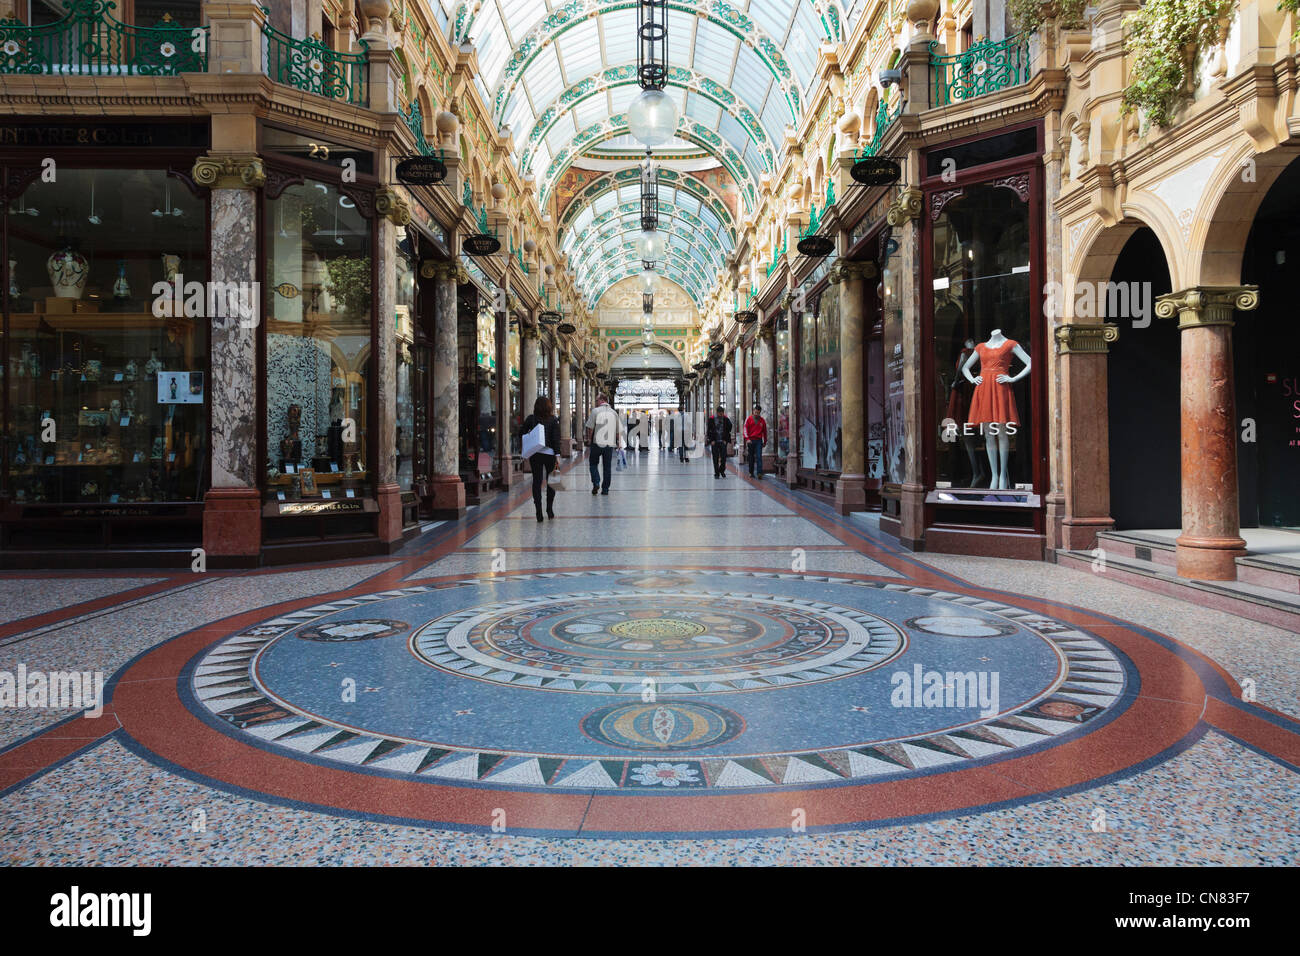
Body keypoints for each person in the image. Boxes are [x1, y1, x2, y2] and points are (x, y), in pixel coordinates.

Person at [521, 396, 560, 522]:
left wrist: (530, 437)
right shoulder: (554, 420)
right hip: (550, 454)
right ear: (549, 407)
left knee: (537, 481)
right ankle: (549, 509)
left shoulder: (531, 419)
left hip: (535, 454)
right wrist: (558, 456)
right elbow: (556, 440)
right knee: (552, 482)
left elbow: (521, 433)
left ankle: (538, 511)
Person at [584, 392, 623, 495]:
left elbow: (590, 428)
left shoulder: (595, 411)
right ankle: (605, 489)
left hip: (597, 443)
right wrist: (619, 443)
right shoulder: (614, 413)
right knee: (607, 467)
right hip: (609, 445)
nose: (596, 402)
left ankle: (596, 482)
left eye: (597, 400)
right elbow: (618, 430)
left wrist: (589, 439)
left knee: (593, 464)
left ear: (602, 400)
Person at [706, 404, 733, 479]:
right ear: (717, 412)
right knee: (715, 457)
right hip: (714, 442)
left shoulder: (726, 419)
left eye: (722, 413)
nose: (721, 415)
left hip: (723, 441)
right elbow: (709, 431)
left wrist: (726, 439)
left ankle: (721, 470)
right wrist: (711, 440)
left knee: (724, 458)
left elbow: (729, 428)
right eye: (720, 413)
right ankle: (716, 473)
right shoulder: (711, 419)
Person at [744, 403, 768, 480]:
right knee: (751, 457)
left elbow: (765, 432)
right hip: (750, 440)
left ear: (760, 412)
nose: (756, 414)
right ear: (753, 411)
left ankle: (759, 473)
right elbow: (745, 429)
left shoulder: (762, 421)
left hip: (758, 441)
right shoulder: (749, 419)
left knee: (759, 456)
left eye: (758, 412)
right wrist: (747, 439)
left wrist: (765, 442)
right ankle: (751, 472)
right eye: (755, 412)